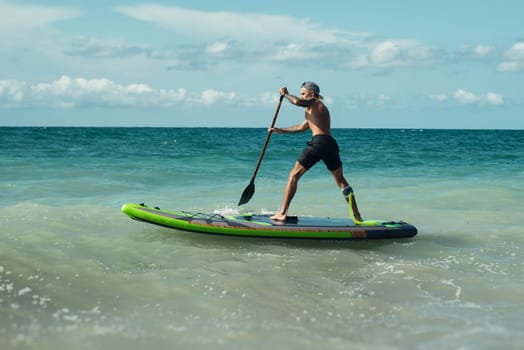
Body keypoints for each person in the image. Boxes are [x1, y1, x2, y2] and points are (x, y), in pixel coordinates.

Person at [268, 81, 363, 222]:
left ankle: (282, 212)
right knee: (341, 181)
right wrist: (279, 130)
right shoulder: (315, 110)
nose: (302, 96)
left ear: (312, 93)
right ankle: (357, 215)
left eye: (303, 93)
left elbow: (296, 101)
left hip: (319, 142)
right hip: (330, 144)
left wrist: (285, 94)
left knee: (293, 175)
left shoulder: (314, 102)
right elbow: (300, 128)